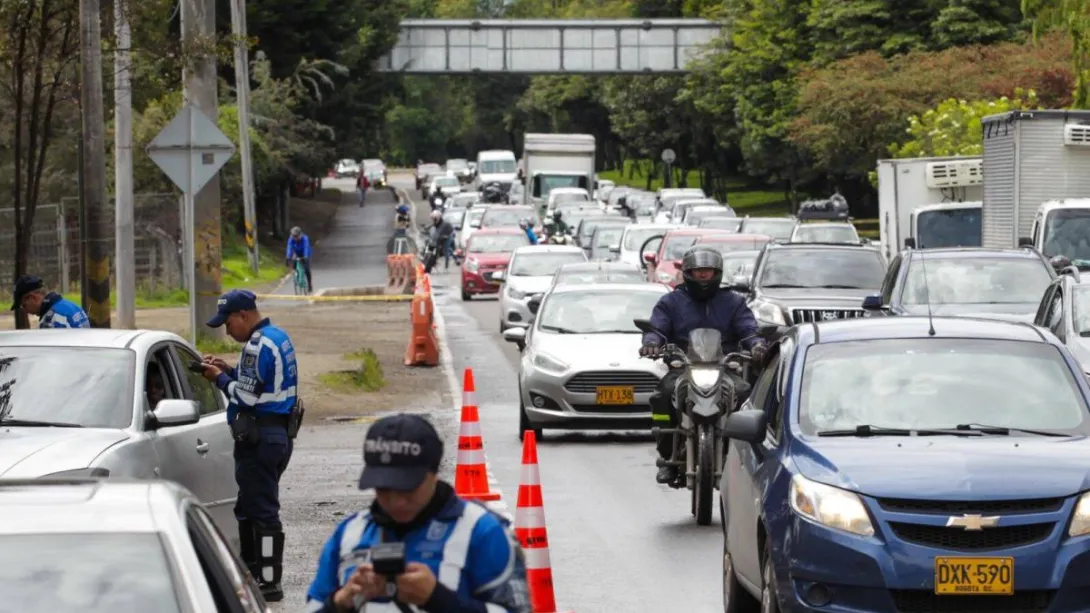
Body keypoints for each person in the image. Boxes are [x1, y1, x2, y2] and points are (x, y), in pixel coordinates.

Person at [305, 413, 531, 613]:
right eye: (383, 488)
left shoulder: (482, 532)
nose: (396, 502)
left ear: (434, 473)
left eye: (407, 487)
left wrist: (438, 600)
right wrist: (340, 602)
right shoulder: (349, 534)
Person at [199, 289, 302, 602]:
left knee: (262, 511)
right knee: (250, 507)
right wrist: (230, 370)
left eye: (228, 324)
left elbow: (245, 397)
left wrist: (218, 379)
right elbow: (263, 383)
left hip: (260, 436)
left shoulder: (256, 346)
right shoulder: (276, 336)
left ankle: (269, 581)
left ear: (243, 315)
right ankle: (253, 572)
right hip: (277, 434)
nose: (227, 332)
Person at [638, 246, 769, 484]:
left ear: (717, 273)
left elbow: (749, 331)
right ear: (688, 272)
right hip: (683, 366)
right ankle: (667, 455)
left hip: (725, 367)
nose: (703, 276)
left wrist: (758, 346)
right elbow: (657, 329)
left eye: (708, 271)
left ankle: (739, 456)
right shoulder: (671, 302)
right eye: (698, 272)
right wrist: (651, 343)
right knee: (663, 395)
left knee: (745, 394)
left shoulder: (733, 302)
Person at [10, 274, 89, 328]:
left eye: (24, 305)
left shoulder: (52, 320)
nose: (25, 311)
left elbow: (51, 352)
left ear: (33, 297)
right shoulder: (73, 307)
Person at [286, 226, 313, 293]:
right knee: (294, 266)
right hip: (297, 254)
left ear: (300, 234)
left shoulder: (305, 239)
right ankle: (297, 276)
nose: (295, 238)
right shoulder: (291, 239)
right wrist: (288, 257)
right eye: (293, 236)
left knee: (307, 269)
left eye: (296, 236)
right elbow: (289, 248)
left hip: (305, 254)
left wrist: (305, 256)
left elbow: (305, 247)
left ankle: (309, 285)